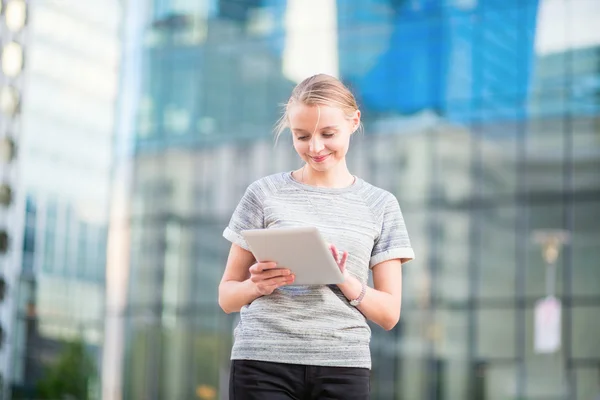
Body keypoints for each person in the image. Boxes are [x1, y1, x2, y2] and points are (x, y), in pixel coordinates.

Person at [219, 74, 415, 400]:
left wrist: (343, 280)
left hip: (342, 366)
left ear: (354, 122)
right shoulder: (264, 194)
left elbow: (389, 314)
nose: (315, 147)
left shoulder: (381, 205)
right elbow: (227, 297)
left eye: (328, 134)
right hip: (262, 362)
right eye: (302, 136)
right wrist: (257, 286)